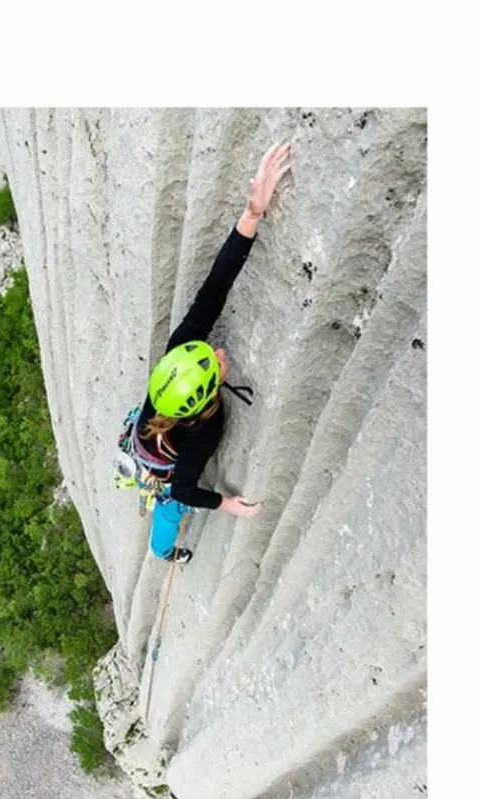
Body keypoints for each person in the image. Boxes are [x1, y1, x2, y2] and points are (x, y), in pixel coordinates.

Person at [135, 142, 293, 563]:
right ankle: (163, 550)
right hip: (165, 462)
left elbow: (215, 287)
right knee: (170, 506)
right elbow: (184, 488)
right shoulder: (203, 431)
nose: (219, 352)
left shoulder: (178, 352)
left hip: (150, 431)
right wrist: (227, 504)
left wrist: (252, 214)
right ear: (205, 397)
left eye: (206, 353)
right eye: (216, 365)